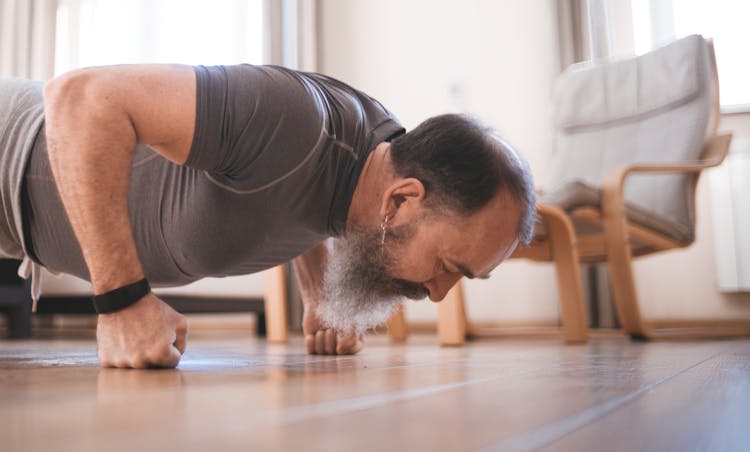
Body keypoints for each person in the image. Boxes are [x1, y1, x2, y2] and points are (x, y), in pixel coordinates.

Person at [0, 64, 535, 369]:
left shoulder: (376, 157)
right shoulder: (293, 117)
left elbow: (304, 194)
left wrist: (319, 294)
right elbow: (81, 98)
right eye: (447, 265)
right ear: (402, 201)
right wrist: (121, 302)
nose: (439, 293)